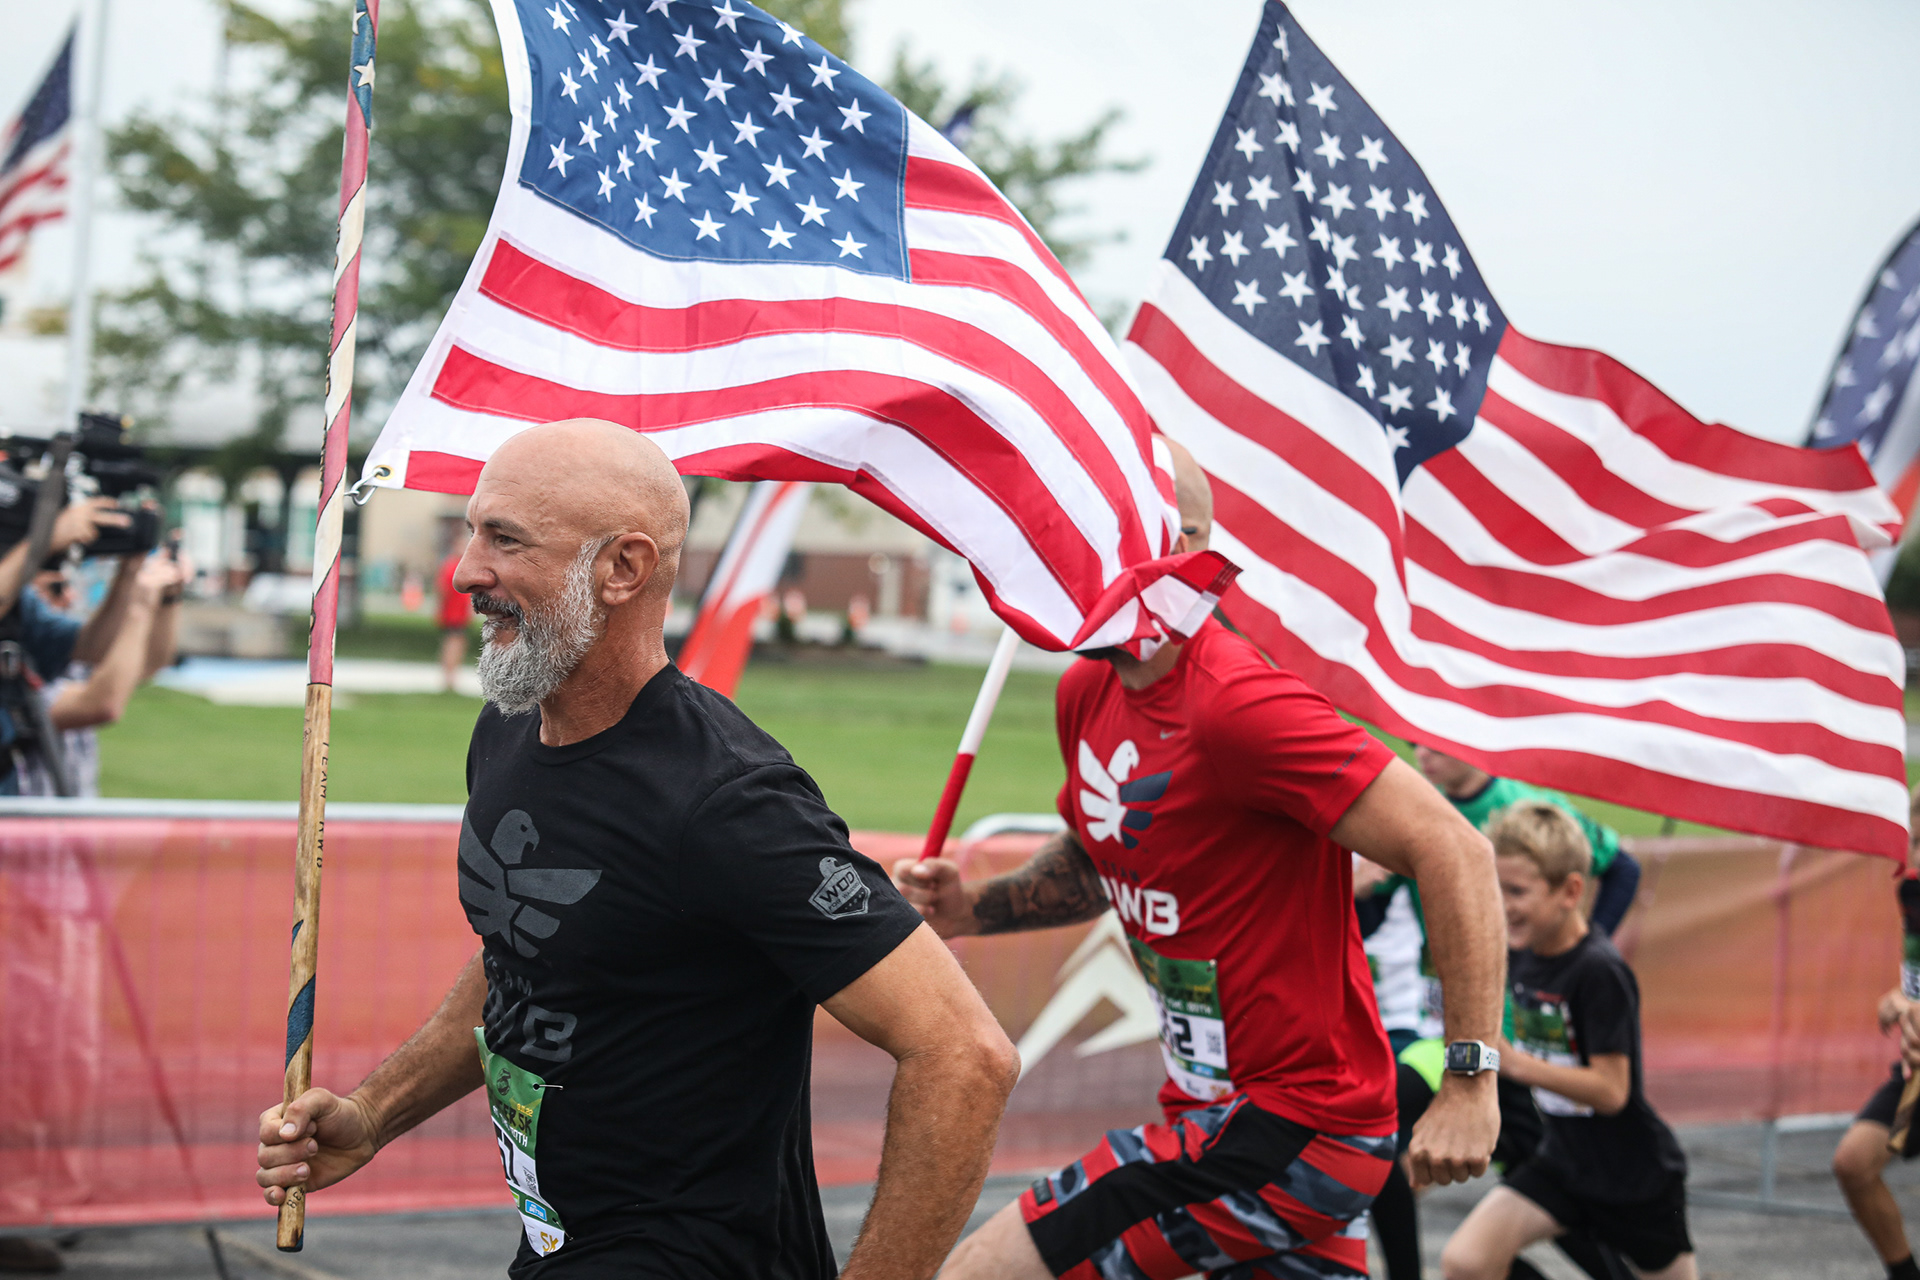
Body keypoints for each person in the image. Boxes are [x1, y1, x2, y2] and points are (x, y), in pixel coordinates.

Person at [255, 419, 1020, 1279]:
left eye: (505, 539)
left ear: (624, 568)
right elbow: (525, 958)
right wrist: (370, 1115)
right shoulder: (509, 732)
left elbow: (965, 1053)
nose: (465, 570)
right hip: (555, 1244)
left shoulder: (729, 802)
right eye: (473, 532)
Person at [897, 440, 1506, 1280]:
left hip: (1301, 1127)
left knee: (983, 1272)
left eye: (1085, 530)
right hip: (1219, 1112)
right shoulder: (1088, 690)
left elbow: (1457, 851)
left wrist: (1471, 1082)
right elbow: (1099, 852)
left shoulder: (1240, 708)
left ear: (1174, 542)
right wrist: (975, 910)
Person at [1442, 802, 1694, 1280]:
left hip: (1634, 1176)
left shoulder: (1598, 970)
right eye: (1496, 888)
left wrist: (1515, 1065)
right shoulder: (1523, 952)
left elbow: (1611, 1091)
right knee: (1467, 1262)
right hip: (1562, 1163)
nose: (1502, 904)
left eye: (1516, 891)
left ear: (1570, 891)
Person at [1831, 784, 1920, 1280]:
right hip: (1916, 1069)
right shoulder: (1912, 895)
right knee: (1853, 1164)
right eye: (1918, 843)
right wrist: (1901, 997)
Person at [1414, 745, 1641, 937]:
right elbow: (1381, 902)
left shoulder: (1534, 808)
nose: (1422, 753)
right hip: (1440, 981)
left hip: (1524, 985)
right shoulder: (1412, 810)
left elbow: (1623, 869)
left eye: (1435, 744)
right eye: (1413, 742)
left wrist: (1586, 950)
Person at [15, 554, 190, 797]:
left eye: (69, 586)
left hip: (70, 825)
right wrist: (139, 607)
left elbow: (149, 664)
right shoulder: (13, 665)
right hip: (29, 828)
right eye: (56, 588)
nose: (70, 596)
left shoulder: (64, 655)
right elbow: (101, 704)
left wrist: (169, 596)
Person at [0, 495, 137, 797]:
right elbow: (102, 705)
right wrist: (44, 538)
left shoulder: (19, 601)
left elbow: (90, 648)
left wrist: (131, 572)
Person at [437, 513, 473, 693]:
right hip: (453, 612)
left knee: (456, 642)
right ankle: (449, 677)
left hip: (457, 612)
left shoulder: (454, 564)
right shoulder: (453, 566)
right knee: (454, 642)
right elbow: (444, 590)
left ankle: (451, 675)